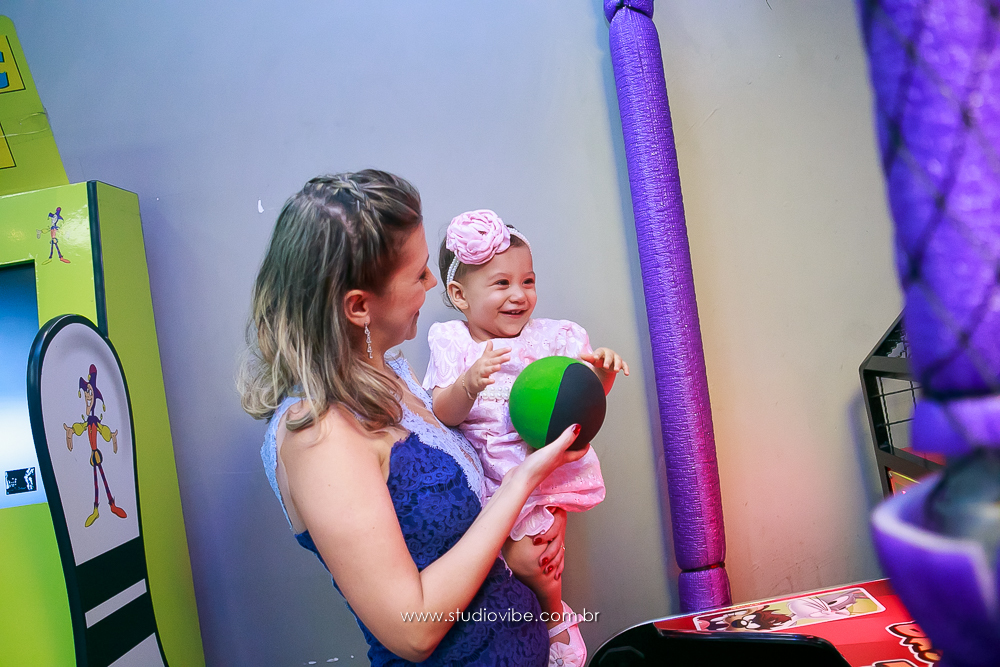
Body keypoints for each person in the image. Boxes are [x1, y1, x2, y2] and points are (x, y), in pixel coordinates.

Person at [239, 171, 588, 666]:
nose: (432, 284)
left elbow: (455, 540)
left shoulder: (393, 374)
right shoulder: (319, 435)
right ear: (359, 306)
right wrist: (520, 485)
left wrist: (518, 553)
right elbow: (413, 629)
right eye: (420, 274)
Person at [423, 209, 628, 667]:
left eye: (528, 281)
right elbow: (442, 413)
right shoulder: (453, 343)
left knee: (535, 559)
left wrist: (600, 375)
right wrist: (468, 384)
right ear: (459, 295)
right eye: (501, 284)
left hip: (544, 475)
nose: (519, 295)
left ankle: (554, 616)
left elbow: (577, 407)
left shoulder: (552, 338)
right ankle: (544, 619)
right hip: (492, 479)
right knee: (514, 566)